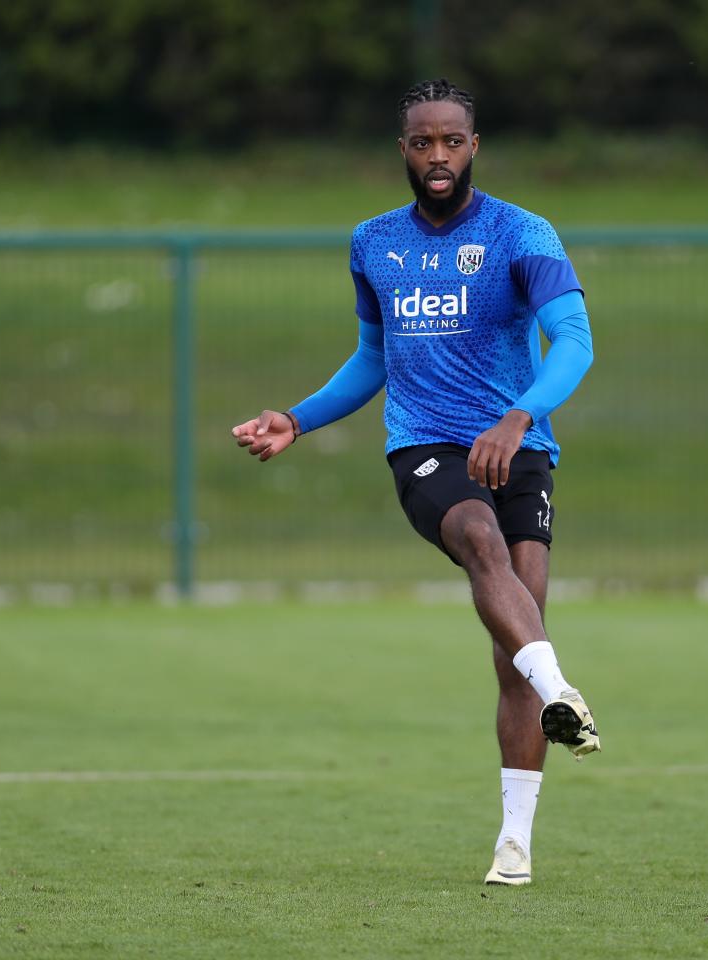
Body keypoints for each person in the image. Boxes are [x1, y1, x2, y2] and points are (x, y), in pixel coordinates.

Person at [232, 78, 600, 887]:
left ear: (475, 147)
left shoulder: (521, 233)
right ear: (403, 151)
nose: (438, 155)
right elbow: (374, 356)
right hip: (425, 448)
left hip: (518, 445)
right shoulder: (372, 242)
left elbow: (573, 341)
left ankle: (515, 844)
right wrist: (298, 417)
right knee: (479, 540)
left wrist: (519, 415)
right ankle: (563, 688)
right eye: (422, 142)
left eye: (452, 141)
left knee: (515, 645)